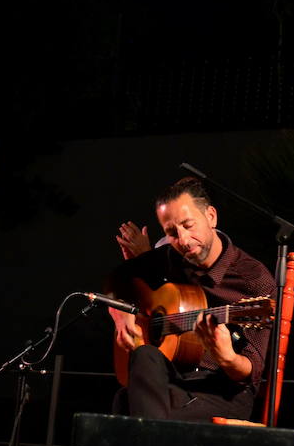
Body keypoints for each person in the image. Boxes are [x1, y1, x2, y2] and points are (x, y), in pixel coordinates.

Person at [107, 178, 276, 422]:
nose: (184, 240)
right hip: (173, 380)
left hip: (222, 391)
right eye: (172, 233)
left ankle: (150, 439)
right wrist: (121, 313)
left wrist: (227, 357)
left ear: (211, 217)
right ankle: (153, 438)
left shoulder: (254, 279)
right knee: (143, 360)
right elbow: (118, 279)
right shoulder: (170, 257)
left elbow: (252, 371)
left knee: (127, 401)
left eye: (189, 225)